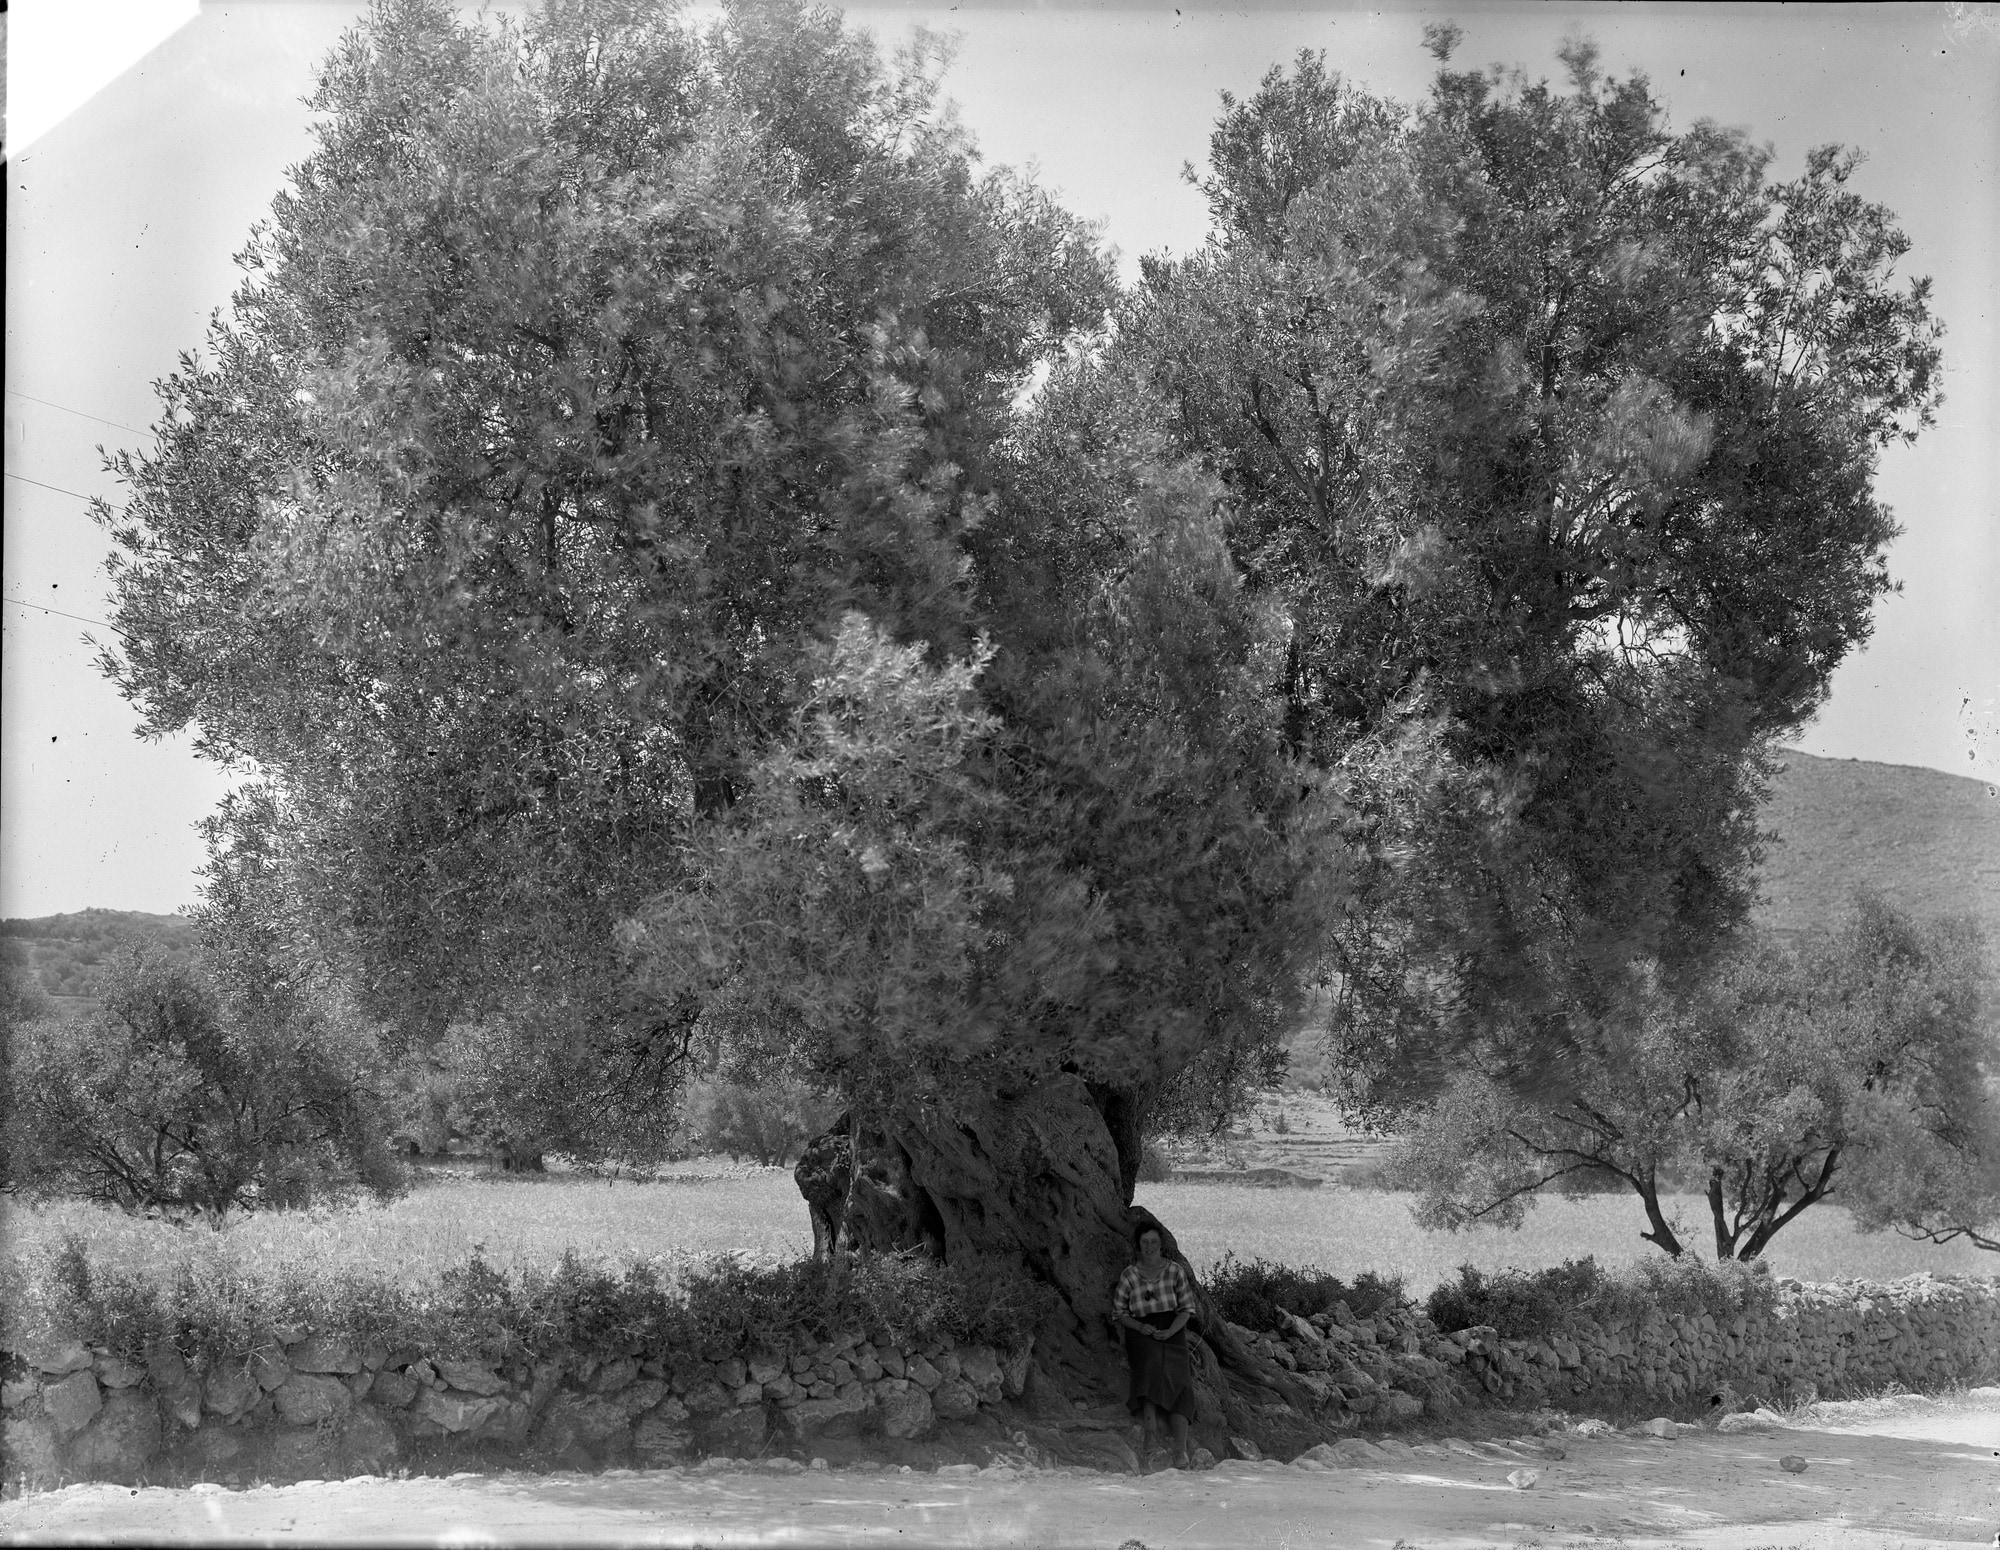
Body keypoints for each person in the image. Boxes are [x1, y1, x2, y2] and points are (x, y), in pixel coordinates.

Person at [1112, 1223, 1197, 1469]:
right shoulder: (1130, 1274)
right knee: (1149, 1364)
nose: (1149, 1247)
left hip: (1172, 1328)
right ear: (1138, 1244)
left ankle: (1180, 1450)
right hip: (1141, 1330)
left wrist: (1171, 1330)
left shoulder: (1174, 1271)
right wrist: (1140, 1328)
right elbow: (1119, 1312)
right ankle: (1151, 1434)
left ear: (1161, 1244)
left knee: (1179, 1378)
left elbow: (1186, 1309)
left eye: (1154, 1242)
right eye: (1145, 1241)